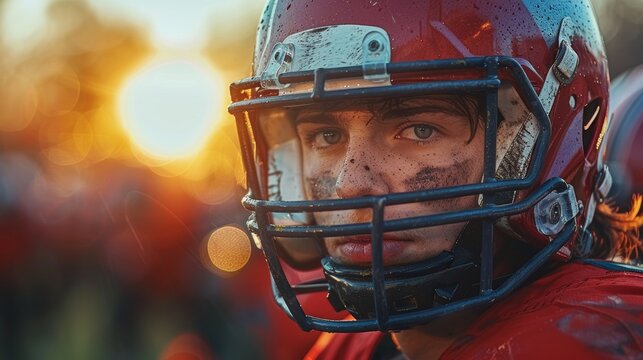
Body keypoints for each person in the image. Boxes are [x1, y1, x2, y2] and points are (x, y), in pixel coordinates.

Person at [227, 0, 643, 358]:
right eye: (326, 135)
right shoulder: (355, 349)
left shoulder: (596, 339)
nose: (349, 184)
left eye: (419, 129)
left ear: (533, 144)